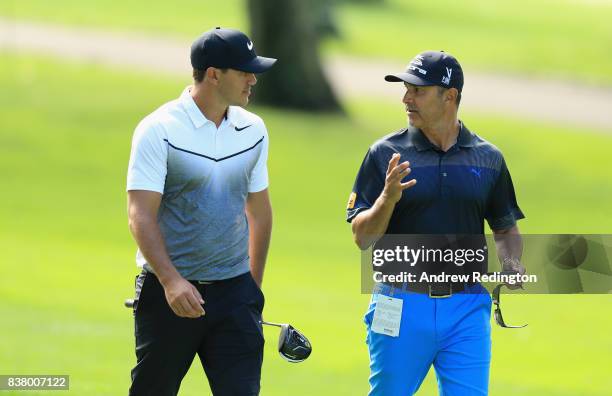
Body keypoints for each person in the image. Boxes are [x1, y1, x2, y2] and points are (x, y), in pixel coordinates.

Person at [346, 50, 526, 395]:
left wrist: (512, 261)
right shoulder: (385, 153)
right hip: (398, 303)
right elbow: (362, 237)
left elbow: (504, 227)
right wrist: (386, 198)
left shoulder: (488, 159)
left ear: (450, 96)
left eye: (418, 91)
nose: (406, 98)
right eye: (405, 89)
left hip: (466, 306)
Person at [126, 27, 276, 396]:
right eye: (244, 71)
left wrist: (252, 288)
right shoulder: (159, 130)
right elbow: (140, 215)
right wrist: (171, 281)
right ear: (214, 75)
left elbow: (259, 210)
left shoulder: (253, 130)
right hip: (169, 295)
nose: (253, 79)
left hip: (235, 295)